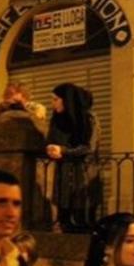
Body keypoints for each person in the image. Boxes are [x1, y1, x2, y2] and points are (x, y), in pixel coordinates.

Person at [46, 82, 98, 233]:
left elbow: (89, 147)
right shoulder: (56, 119)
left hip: (82, 175)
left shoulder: (88, 118)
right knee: (64, 220)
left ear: (67, 100)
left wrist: (63, 151)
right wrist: (51, 149)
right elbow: (51, 140)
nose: (53, 104)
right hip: (63, 176)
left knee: (83, 220)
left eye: (56, 99)